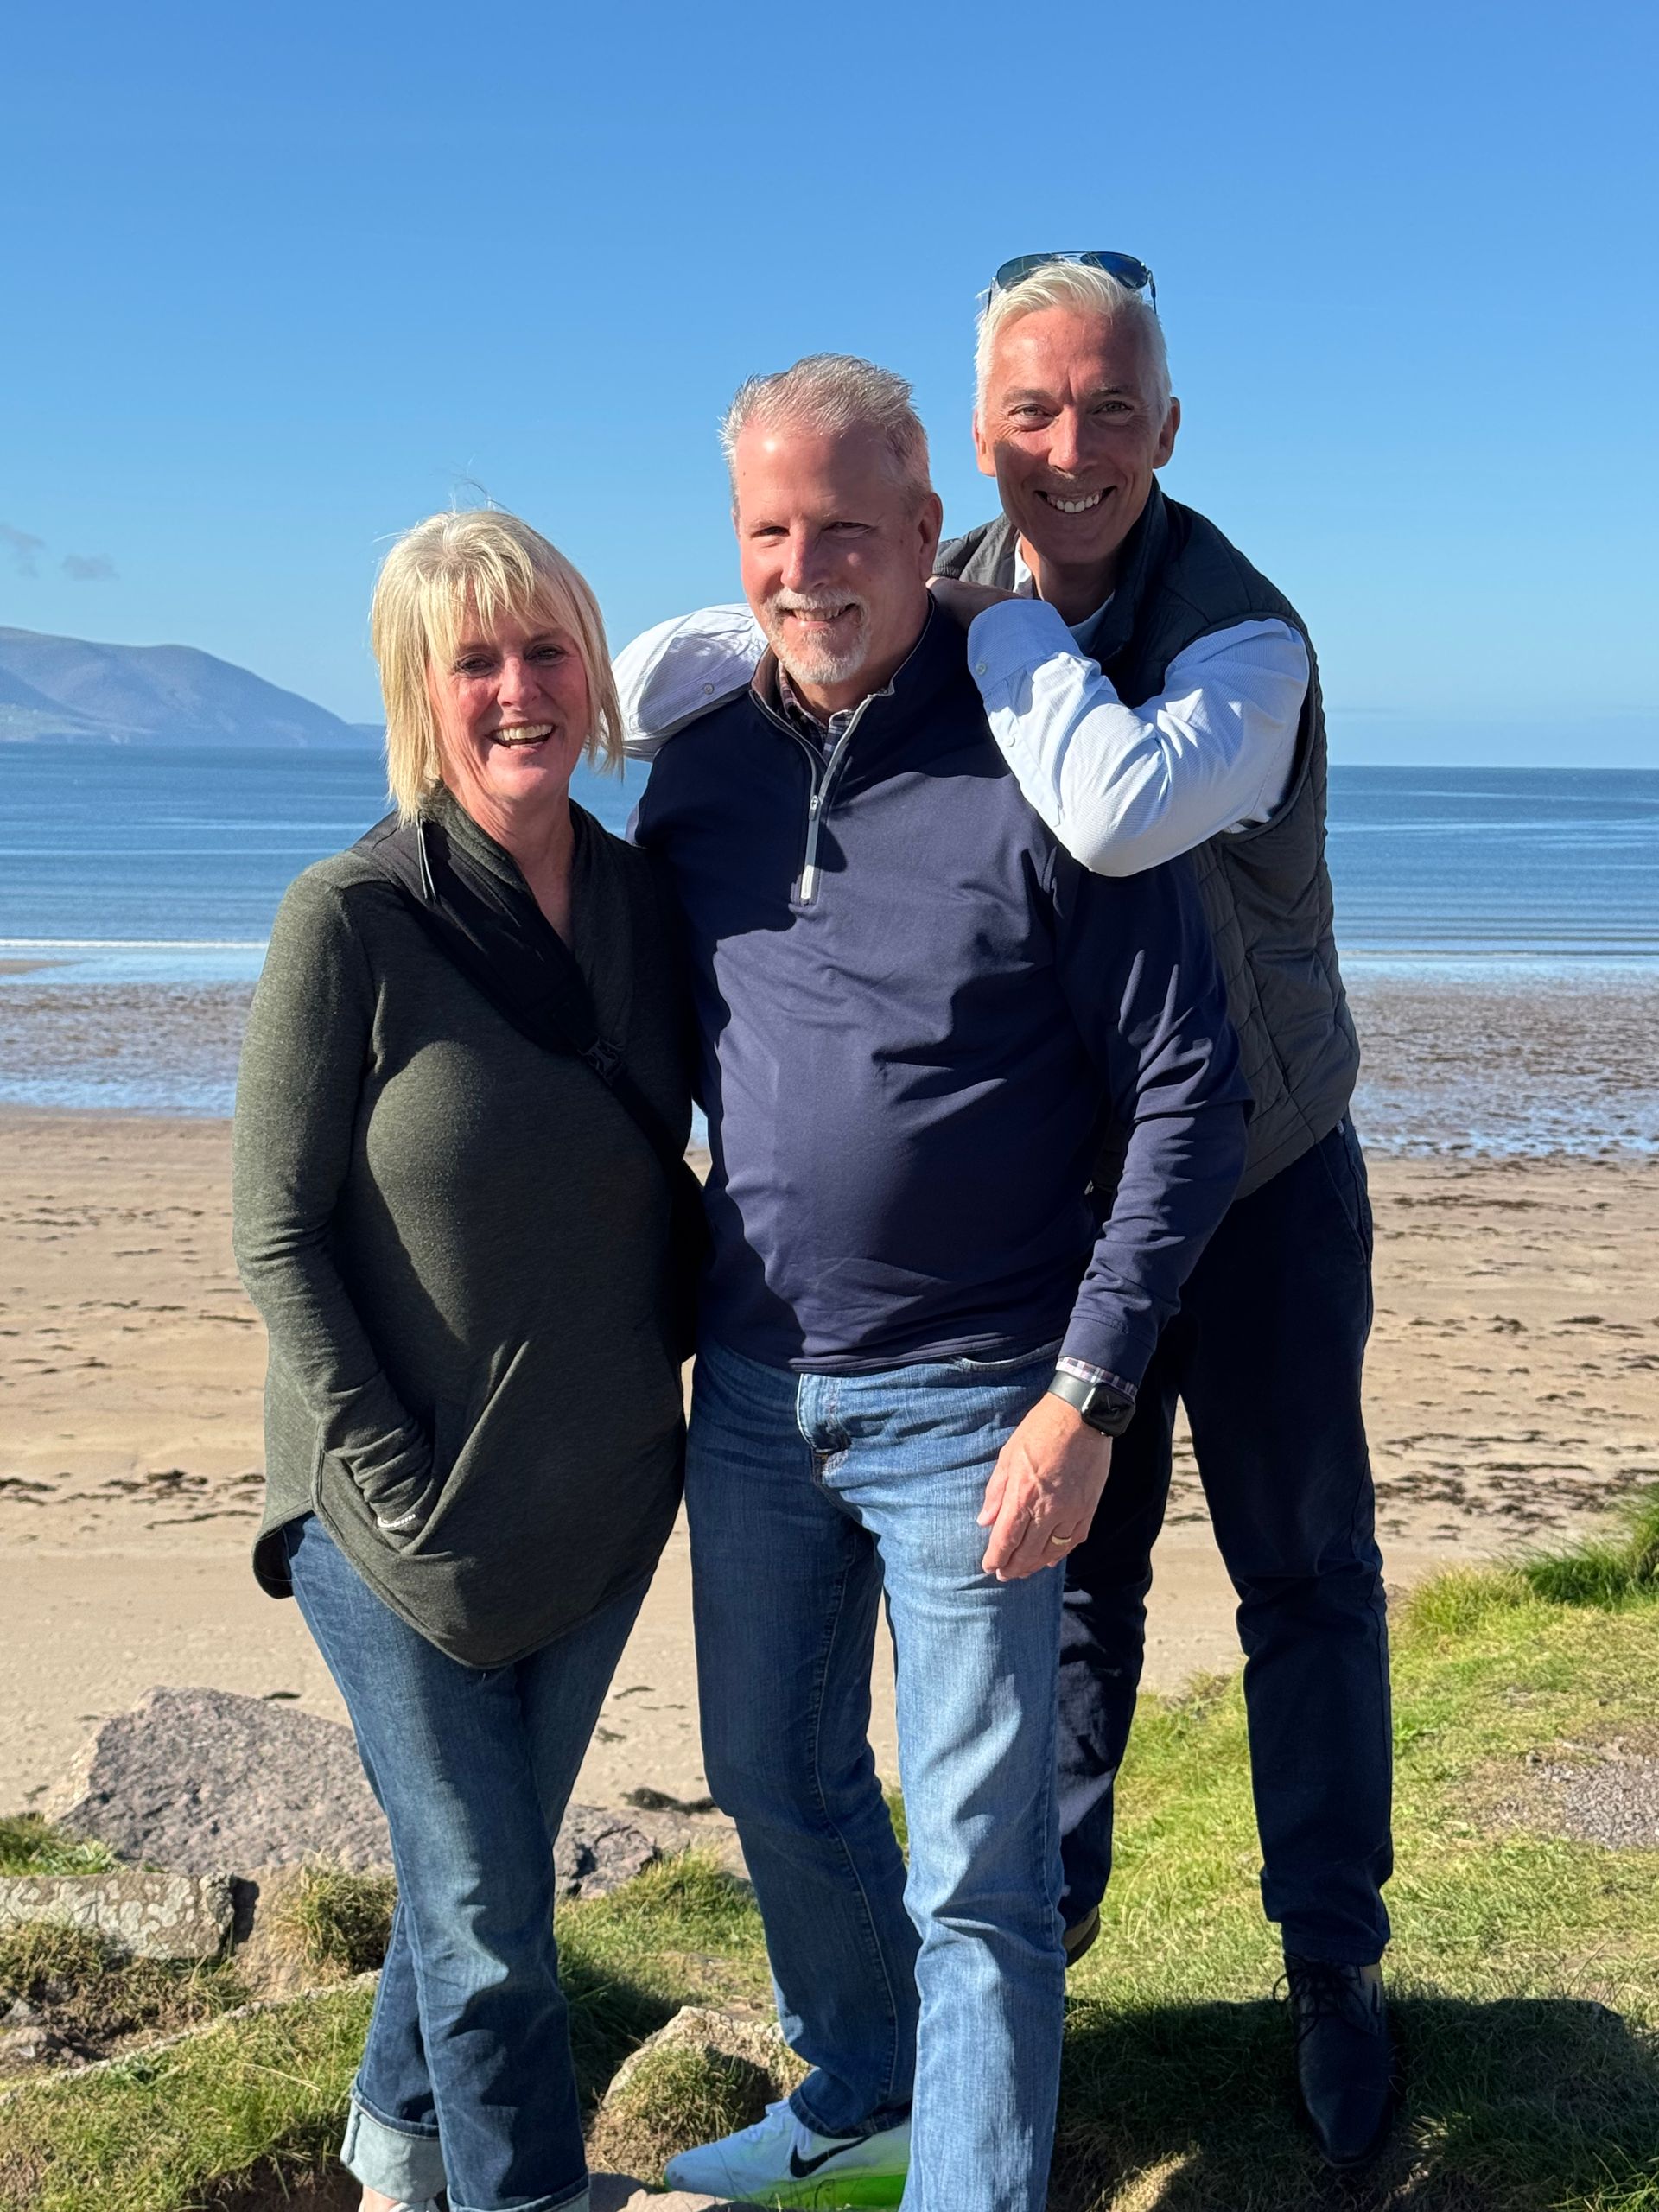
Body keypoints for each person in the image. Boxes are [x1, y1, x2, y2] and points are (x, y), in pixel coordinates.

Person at [618, 257, 1393, 2172]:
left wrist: (976, 640)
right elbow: (759, 625)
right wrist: (773, 634)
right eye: (1034, 412)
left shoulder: (1239, 637)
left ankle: (1331, 1973)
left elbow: (1125, 812)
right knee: (1076, 1619)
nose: (1072, 447)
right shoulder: (912, 582)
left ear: (1167, 422)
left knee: (1302, 1574)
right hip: (1038, 1218)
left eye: (1110, 407)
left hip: (1264, 1175)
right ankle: (1018, 1981)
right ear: (981, 435)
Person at [233, 509, 691, 2212]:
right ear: (420, 693)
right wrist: (395, 1489)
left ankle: (390, 2159)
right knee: (495, 1915)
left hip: (598, 1497)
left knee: (465, 1884)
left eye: (547, 647)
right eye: (474, 659)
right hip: (389, 1520)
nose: (519, 688)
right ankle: (523, 2189)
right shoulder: (349, 915)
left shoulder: (650, 903)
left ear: (594, 667)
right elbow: (273, 1234)